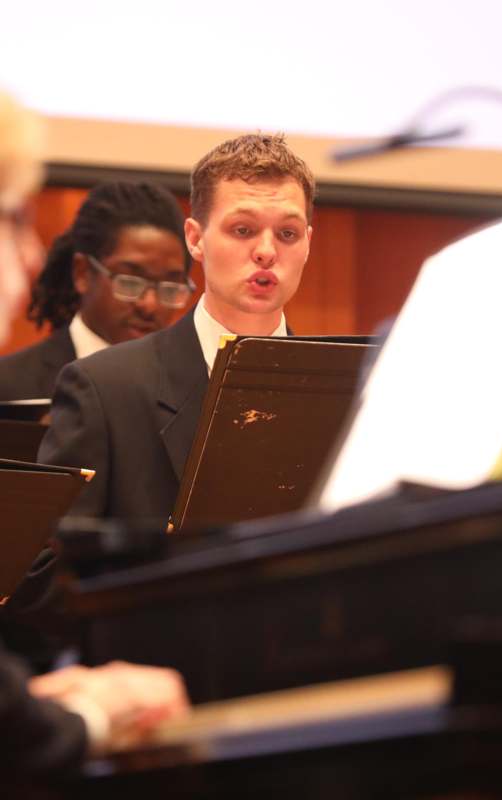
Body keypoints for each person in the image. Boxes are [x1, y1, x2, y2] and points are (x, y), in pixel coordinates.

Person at [0, 90, 189, 779]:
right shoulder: (17, 381)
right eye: (11, 221)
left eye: (173, 287)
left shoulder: (189, 384)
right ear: (83, 273)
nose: (23, 256)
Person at [38, 133, 315, 521]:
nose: (267, 251)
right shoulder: (103, 389)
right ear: (195, 239)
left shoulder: (353, 391)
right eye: (243, 230)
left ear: (307, 243)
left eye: (287, 233)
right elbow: (53, 565)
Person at [0, 180, 193, 400]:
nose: (149, 304)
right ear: (82, 273)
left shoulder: (191, 392)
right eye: (130, 283)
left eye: (169, 288)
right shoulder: (10, 386)